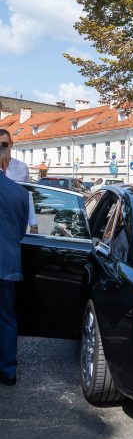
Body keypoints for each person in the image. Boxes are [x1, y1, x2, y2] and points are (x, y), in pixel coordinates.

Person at [0, 141, 29, 386]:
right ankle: (8, 370)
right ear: (5, 163)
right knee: (6, 318)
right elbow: (20, 232)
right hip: (6, 265)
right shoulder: (19, 193)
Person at [0, 129, 37, 234]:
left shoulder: (21, 167)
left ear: (11, 144)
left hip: (15, 220)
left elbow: (28, 196)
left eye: (4, 144)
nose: (1, 148)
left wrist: (33, 224)